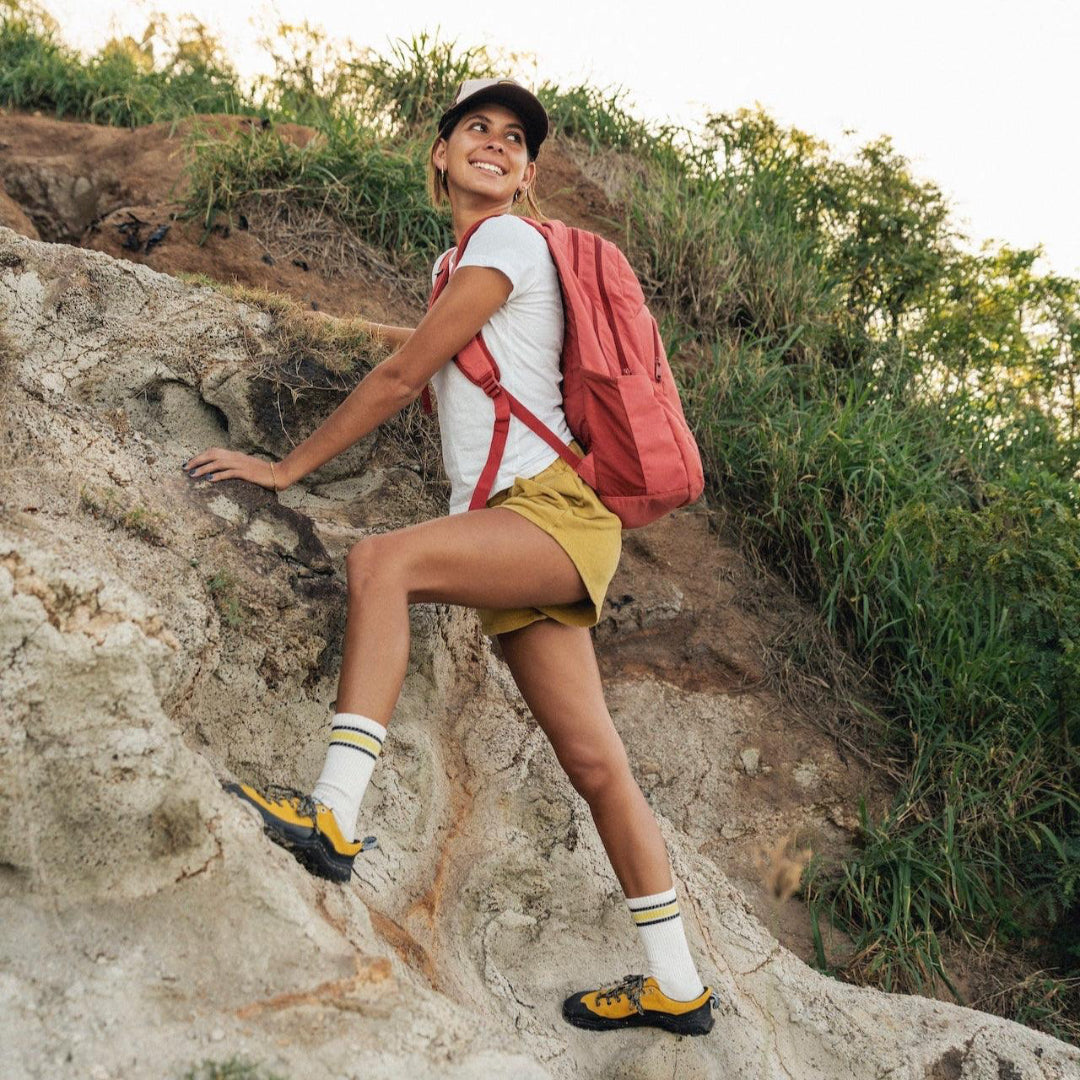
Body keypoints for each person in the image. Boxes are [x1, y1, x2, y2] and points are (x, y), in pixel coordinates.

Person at [182, 77, 716, 1037]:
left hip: (545, 513)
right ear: (440, 153)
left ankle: (333, 813)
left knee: (382, 563)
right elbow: (429, 346)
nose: (498, 146)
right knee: (598, 766)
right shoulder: (460, 265)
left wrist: (284, 467)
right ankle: (678, 985)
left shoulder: (509, 240)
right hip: (533, 526)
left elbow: (401, 376)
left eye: (516, 140)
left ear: (527, 173)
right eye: (479, 129)